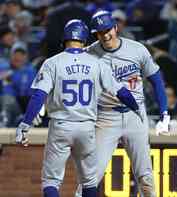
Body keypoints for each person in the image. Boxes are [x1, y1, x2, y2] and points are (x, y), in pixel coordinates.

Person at [15, 19, 140, 197]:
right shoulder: (97, 63)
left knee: (51, 182)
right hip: (87, 127)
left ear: (65, 38)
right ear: (85, 40)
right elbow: (122, 93)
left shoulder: (52, 62)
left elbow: (39, 96)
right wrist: (136, 109)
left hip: (61, 126)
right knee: (89, 182)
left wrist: (25, 124)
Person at [75, 10, 170, 197]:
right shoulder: (89, 54)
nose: (106, 34)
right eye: (101, 32)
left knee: (145, 175)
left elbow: (157, 80)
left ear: (116, 28)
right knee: (91, 174)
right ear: (96, 34)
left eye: (108, 29)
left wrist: (164, 113)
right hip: (106, 116)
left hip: (135, 116)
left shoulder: (137, 49)